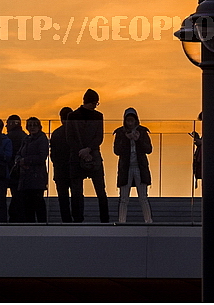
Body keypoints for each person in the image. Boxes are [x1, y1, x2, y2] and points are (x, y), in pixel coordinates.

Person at [66, 89, 109, 223]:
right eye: (94, 103)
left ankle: (103, 219)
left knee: (99, 191)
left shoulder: (76, 116)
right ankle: (79, 219)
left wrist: (85, 150)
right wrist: (86, 151)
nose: (95, 105)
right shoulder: (73, 116)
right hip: (87, 156)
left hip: (86, 155)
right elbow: (70, 138)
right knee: (78, 192)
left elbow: (99, 137)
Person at [113, 107, 153, 224]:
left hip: (139, 167)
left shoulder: (142, 132)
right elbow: (117, 151)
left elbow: (149, 149)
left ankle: (148, 221)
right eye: (128, 120)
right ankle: (122, 221)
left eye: (132, 120)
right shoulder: (120, 133)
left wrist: (139, 139)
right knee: (124, 198)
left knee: (143, 197)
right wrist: (126, 139)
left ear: (136, 120)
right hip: (126, 168)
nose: (130, 123)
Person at [16, 117, 49, 223]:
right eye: (30, 125)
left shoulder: (42, 138)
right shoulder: (26, 139)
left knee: (38, 201)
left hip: (37, 176)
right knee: (27, 204)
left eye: (35, 125)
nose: (32, 127)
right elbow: (19, 153)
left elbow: (42, 156)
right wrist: (19, 160)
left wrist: (25, 160)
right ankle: (30, 225)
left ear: (40, 127)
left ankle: (41, 224)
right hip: (26, 177)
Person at [191, 112, 214, 187]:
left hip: (212, 161)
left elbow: (212, 143)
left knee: (210, 183)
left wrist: (201, 142)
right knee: (211, 183)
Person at [50, 107, 74, 222]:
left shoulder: (56, 133)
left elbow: (52, 155)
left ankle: (66, 219)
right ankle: (77, 218)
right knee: (76, 195)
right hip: (73, 169)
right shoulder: (75, 132)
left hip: (60, 171)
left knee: (63, 198)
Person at [4, 114, 25, 222]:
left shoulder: (8, 138)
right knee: (21, 195)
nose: (6, 127)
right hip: (24, 171)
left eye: (7, 124)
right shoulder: (25, 136)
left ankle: (14, 217)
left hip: (12, 171)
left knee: (16, 195)